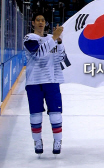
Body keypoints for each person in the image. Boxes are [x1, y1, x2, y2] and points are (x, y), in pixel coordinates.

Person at [24, 13, 66, 155]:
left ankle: (58, 141)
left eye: (43, 20)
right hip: (34, 82)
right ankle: (37, 141)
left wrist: (59, 42)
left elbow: (61, 57)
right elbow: (38, 54)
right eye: (38, 20)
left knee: (56, 113)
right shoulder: (29, 38)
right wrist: (54, 38)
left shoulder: (51, 39)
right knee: (35, 113)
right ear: (33, 23)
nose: (41, 22)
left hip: (52, 80)